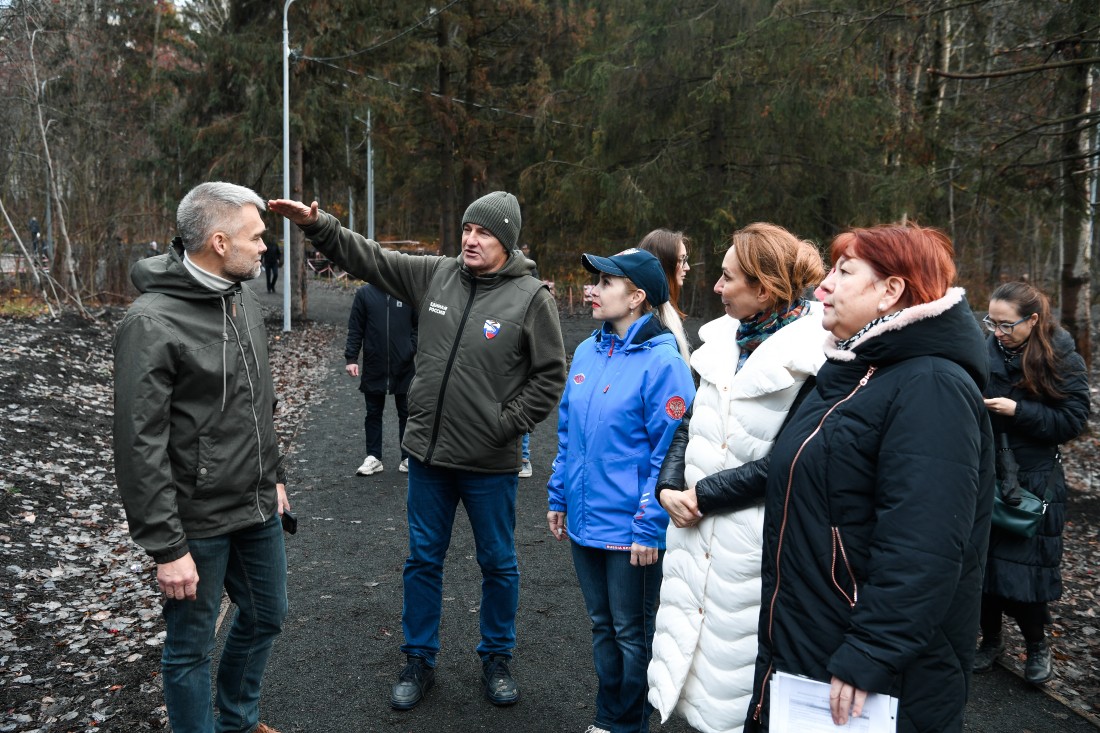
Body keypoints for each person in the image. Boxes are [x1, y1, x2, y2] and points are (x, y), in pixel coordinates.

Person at [268, 191, 567, 711]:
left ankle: (497, 658)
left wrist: (507, 425)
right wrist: (320, 226)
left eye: (484, 233)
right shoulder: (436, 274)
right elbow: (371, 258)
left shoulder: (529, 298)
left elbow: (549, 376)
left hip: (489, 464)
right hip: (428, 458)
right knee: (422, 560)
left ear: (508, 242)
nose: (470, 240)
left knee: (498, 563)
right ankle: (419, 660)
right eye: (468, 229)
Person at [736, 224, 994, 732]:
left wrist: (871, 652)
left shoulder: (932, 385)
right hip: (809, 643)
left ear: (891, 292)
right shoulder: (856, 372)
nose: (822, 286)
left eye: (844, 272)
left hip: (868, 673)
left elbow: (924, 546)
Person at [113, 181, 290, 733]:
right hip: (197, 522)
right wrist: (167, 547)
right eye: (256, 236)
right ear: (218, 241)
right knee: (190, 647)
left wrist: (275, 477)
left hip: (256, 504)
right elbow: (138, 445)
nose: (265, 246)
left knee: (265, 617)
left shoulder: (240, 297)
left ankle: (238, 720)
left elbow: (257, 401)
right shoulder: (151, 322)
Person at [647, 223, 827, 733]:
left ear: (764, 289)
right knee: (693, 672)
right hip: (696, 531)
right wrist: (668, 485)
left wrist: (701, 494)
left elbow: (789, 459)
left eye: (727, 279)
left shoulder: (816, 358)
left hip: (753, 549)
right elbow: (690, 426)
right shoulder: (723, 340)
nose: (716, 288)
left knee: (739, 689)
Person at [547, 247, 696, 733]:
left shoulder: (663, 361)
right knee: (602, 627)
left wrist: (649, 526)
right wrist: (558, 495)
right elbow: (569, 431)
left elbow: (672, 451)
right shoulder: (590, 349)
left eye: (606, 283)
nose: (593, 289)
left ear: (636, 297)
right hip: (587, 521)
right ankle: (609, 717)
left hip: (633, 529)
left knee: (634, 633)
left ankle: (624, 723)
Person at [974, 281, 1089, 685]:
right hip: (985, 471)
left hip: (1035, 479)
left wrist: (1018, 410)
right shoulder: (982, 348)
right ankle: (990, 641)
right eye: (992, 322)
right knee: (983, 565)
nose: (997, 332)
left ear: (1033, 320)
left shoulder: (1059, 354)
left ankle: (1038, 646)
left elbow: (1074, 420)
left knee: (1026, 571)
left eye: (1007, 325)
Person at [346, 283, 417, 476]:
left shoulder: (407, 292)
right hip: (374, 364)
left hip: (404, 365)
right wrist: (351, 358)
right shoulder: (364, 294)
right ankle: (373, 457)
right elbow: (356, 327)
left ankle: (408, 457)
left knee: (407, 413)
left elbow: (418, 326)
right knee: (373, 412)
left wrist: (410, 348)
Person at [639, 228, 693, 362]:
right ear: (662, 264)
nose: (687, 267)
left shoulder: (661, 314)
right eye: (682, 259)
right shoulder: (650, 324)